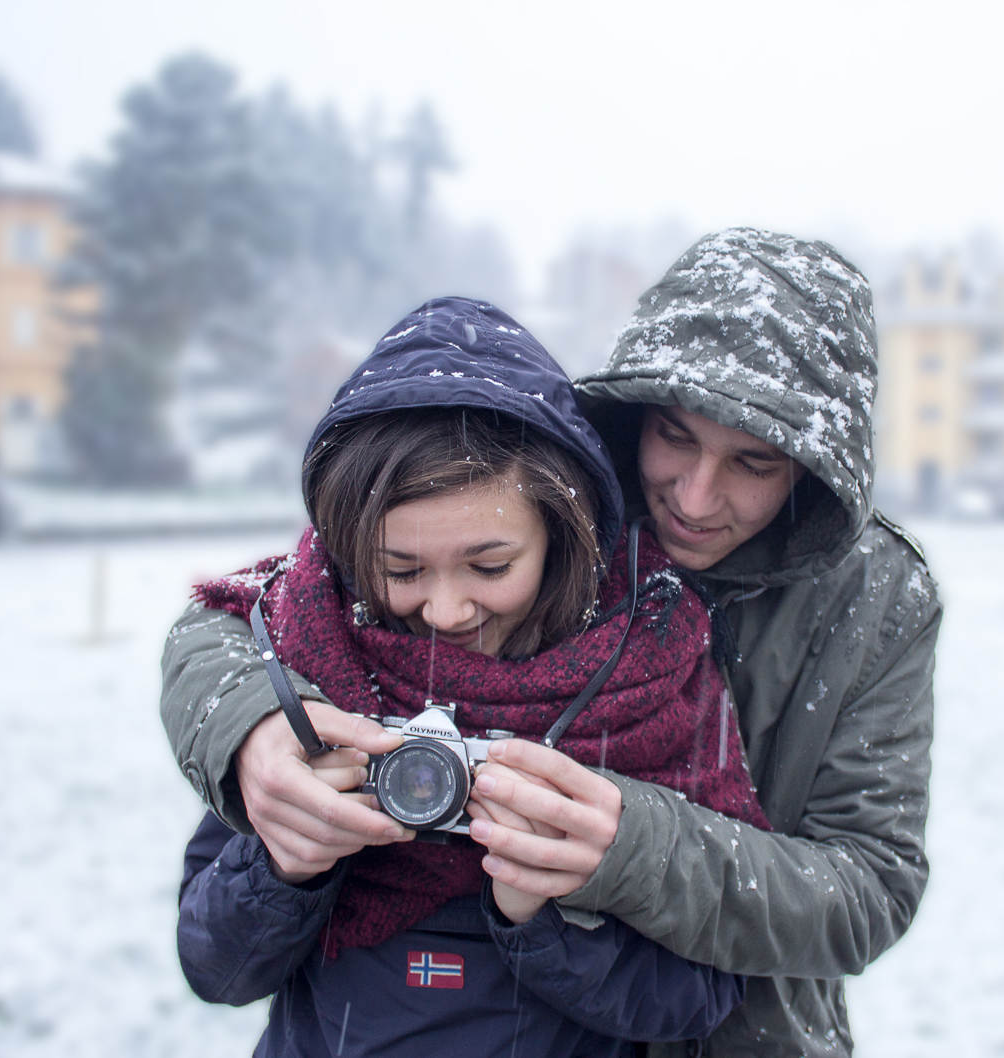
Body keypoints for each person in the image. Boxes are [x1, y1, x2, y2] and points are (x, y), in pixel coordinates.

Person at [164, 231, 942, 1056]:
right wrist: (253, 728)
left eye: (752, 463)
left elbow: (870, 888)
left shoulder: (874, 597)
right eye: (674, 436)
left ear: (812, 469)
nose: (693, 497)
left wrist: (629, 848)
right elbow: (242, 615)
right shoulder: (535, 483)